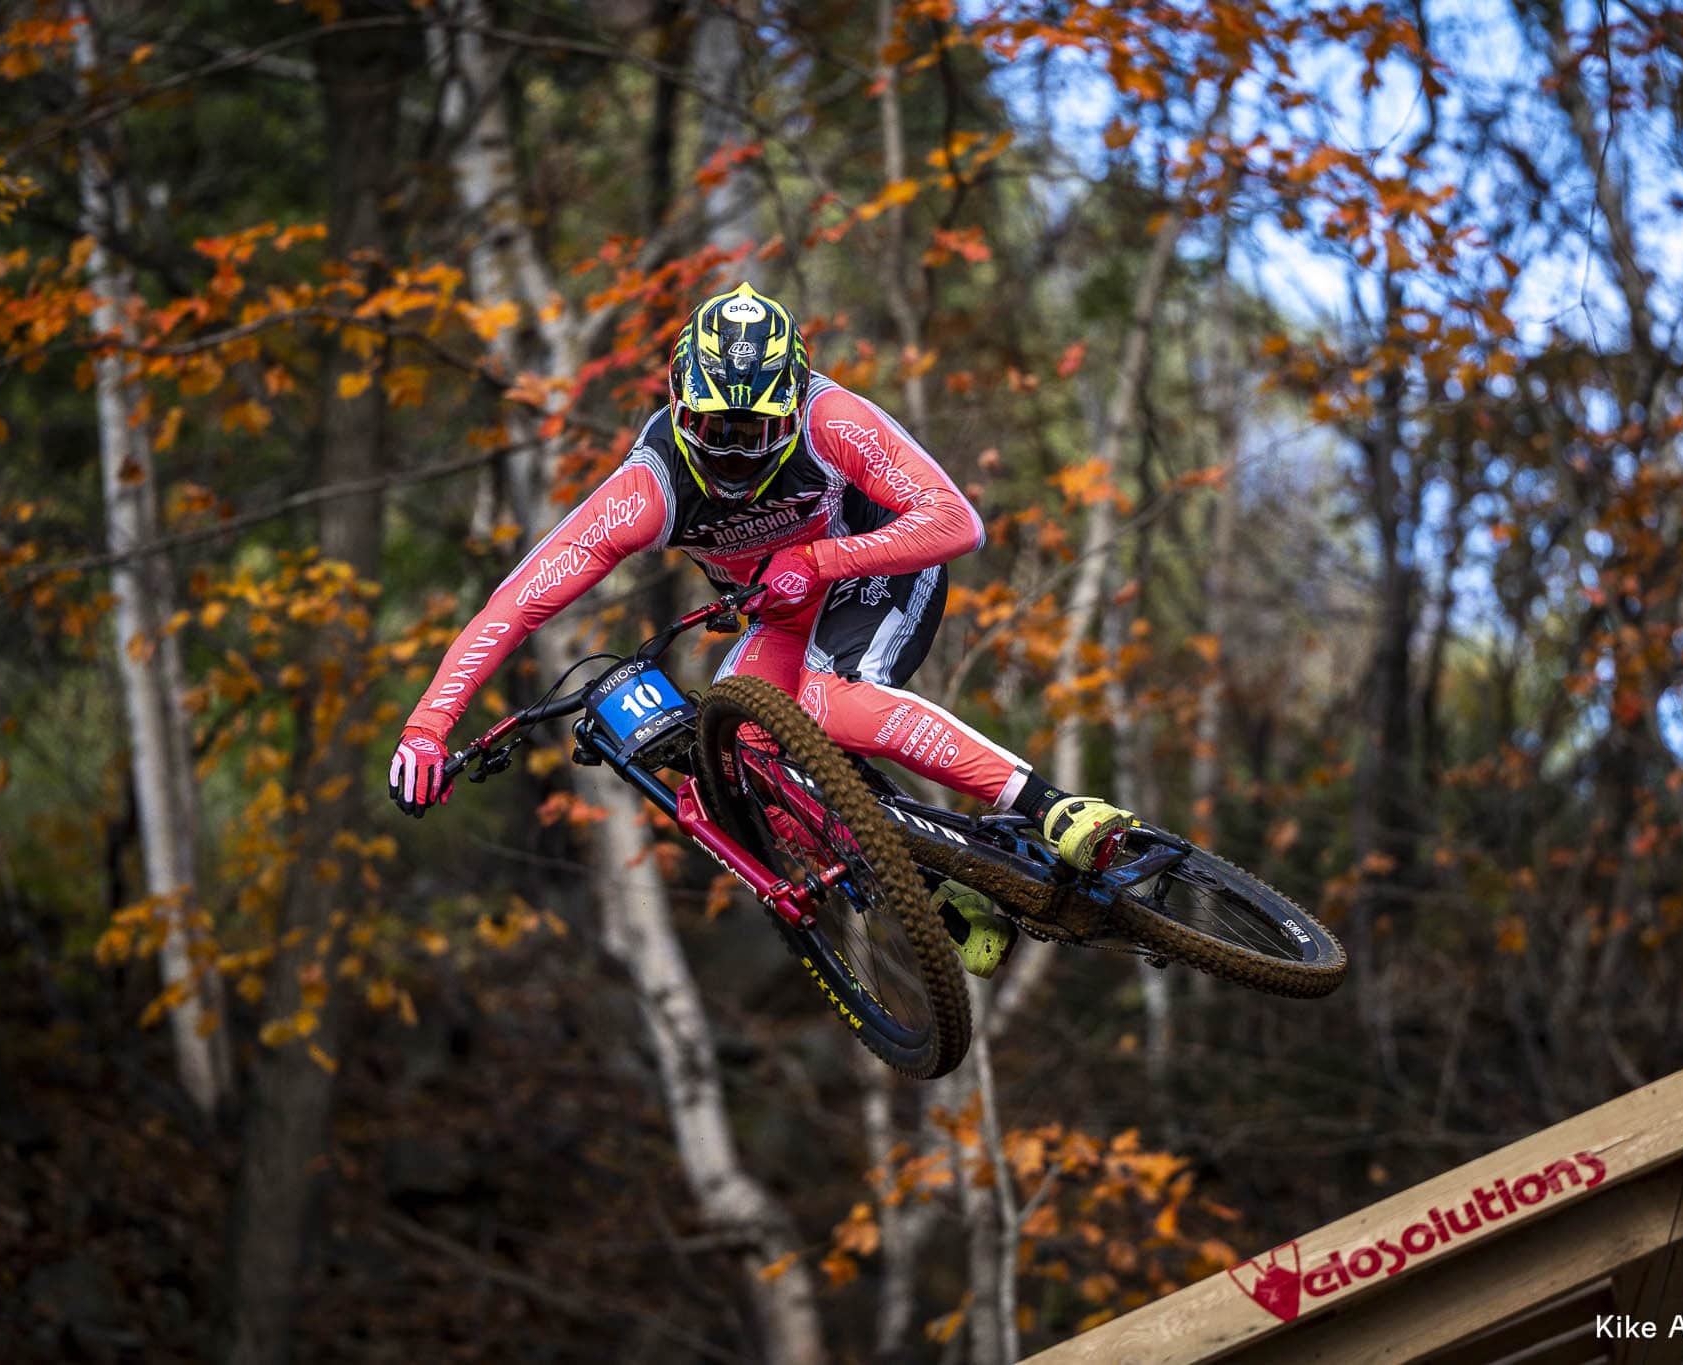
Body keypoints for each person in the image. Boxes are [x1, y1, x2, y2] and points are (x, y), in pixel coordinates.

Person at [387, 282, 1133, 977]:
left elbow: (955, 523)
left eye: (758, 429)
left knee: (829, 698)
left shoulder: (831, 420)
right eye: (716, 426)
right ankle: (927, 882)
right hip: (785, 607)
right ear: (680, 406)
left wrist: (820, 558)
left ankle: (1051, 806)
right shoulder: (651, 487)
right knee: (733, 759)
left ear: (795, 405)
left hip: (878, 565)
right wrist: (427, 728)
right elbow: (518, 602)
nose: (734, 451)